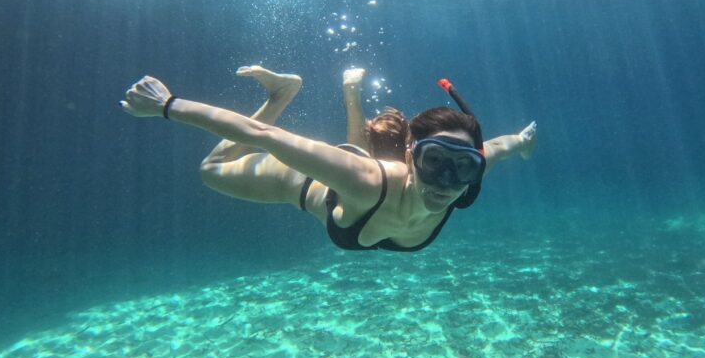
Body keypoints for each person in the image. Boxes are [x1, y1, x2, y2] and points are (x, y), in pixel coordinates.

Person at [121, 66, 536, 252]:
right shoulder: (364, 179)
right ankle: (283, 94)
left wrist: (521, 141)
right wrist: (166, 105)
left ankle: (348, 95)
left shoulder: (463, 181)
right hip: (303, 184)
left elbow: (498, 147)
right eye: (435, 161)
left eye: (463, 167)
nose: (446, 181)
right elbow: (261, 136)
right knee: (210, 171)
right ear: (412, 155)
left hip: (362, 177)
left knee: (361, 161)